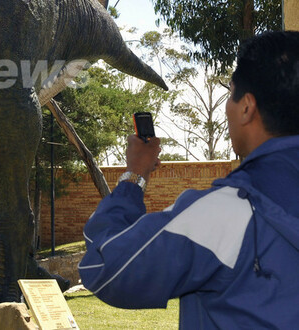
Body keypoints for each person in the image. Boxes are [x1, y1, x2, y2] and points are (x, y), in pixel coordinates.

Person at [79, 31, 299, 328]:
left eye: (229, 92)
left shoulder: (227, 214)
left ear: (247, 107)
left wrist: (135, 176)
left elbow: (103, 266)